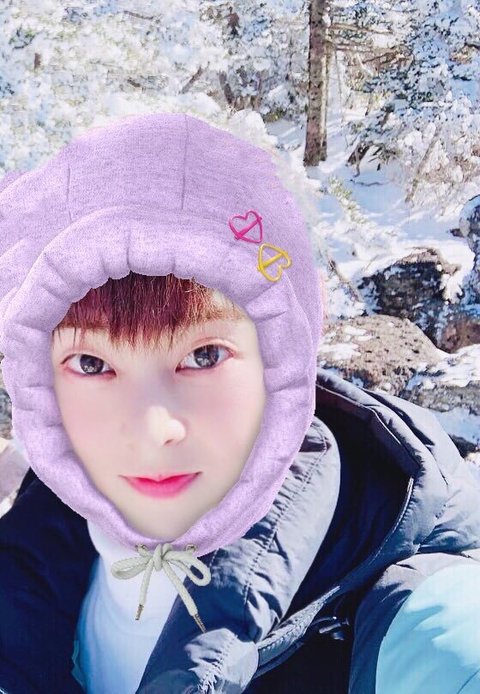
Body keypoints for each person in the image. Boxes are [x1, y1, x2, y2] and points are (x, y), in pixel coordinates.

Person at [0, 112, 479, 694]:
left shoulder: (419, 625)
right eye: (92, 364)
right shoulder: (25, 552)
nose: (154, 428)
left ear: (282, 365)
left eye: (204, 356)